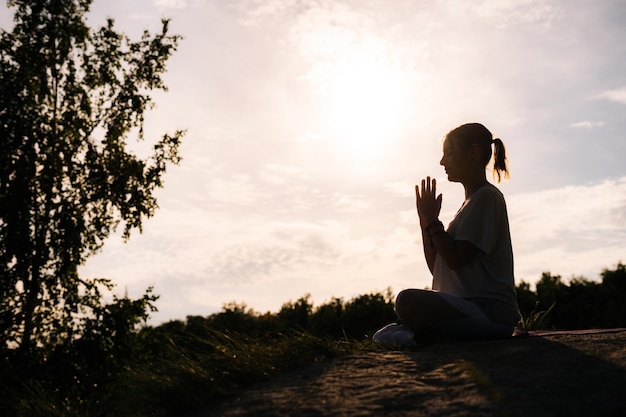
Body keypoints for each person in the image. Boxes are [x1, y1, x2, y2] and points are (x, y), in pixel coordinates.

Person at [373, 123, 519, 346]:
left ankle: (420, 337)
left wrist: (433, 221)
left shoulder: (486, 197)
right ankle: (420, 337)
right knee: (382, 334)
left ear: (473, 153)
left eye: (449, 153)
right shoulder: (468, 206)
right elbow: (437, 266)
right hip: (466, 310)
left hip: (489, 313)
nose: (442, 162)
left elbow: (455, 259)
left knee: (407, 301)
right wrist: (425, 221)